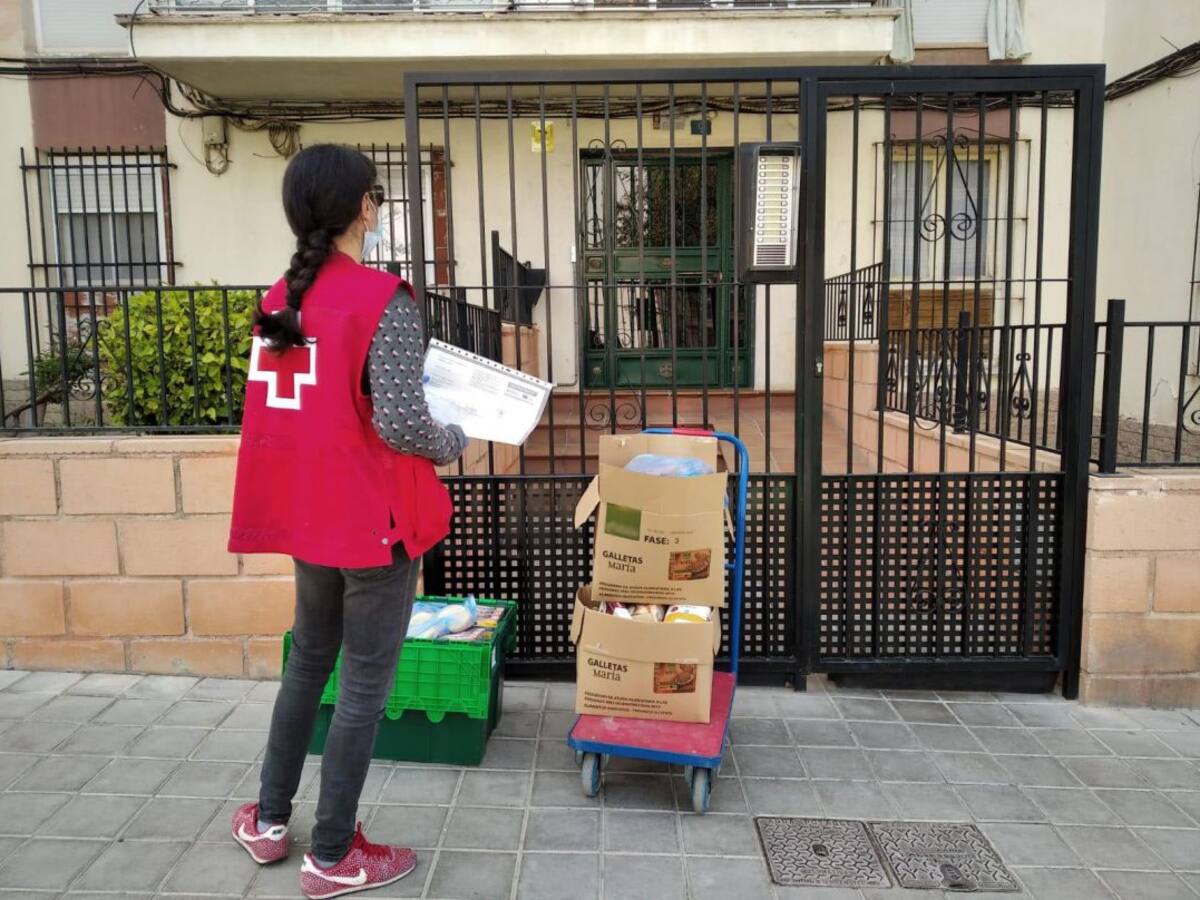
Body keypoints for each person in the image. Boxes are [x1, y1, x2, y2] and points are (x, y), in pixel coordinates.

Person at [226, 144, 467, 899]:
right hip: (371, 522)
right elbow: (400, 422)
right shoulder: (381, 299)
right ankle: (332, 855)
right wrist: (455, 439)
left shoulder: (278, 299)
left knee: (306, 664)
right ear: (364, 207)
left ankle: (268, 822)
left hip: (309, 518)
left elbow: (299, 413)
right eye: (380, 197)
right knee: (363, 687)